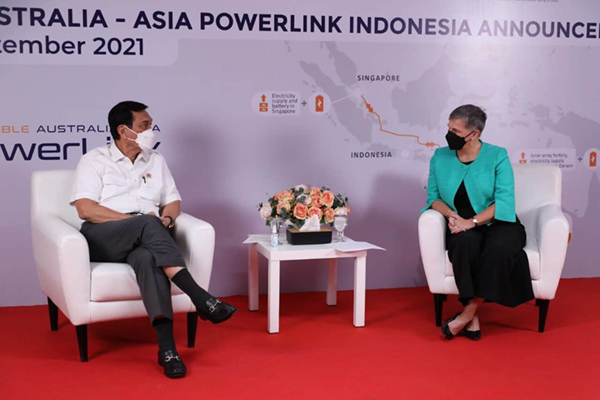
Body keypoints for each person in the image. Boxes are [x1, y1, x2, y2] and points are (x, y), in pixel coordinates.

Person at [70, 101, 237, 378]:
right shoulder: (94, 160)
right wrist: (136, 221)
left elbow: (172, 202)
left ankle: (167, 350)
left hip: (147, 238)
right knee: (147, 222)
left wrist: (166, 221)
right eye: (144, 125)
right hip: (104, 237)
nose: (151, 130)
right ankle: (200, 297)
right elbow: (85, 209)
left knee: (147, 258)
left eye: (151, 124)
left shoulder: (156, 160)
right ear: (123, 130)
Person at [421, 104, 533, 340]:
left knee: (498, 249)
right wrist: (452, 217)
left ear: (474, 134)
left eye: (456, 131)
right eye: (449, 128)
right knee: (463, 245)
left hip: (499, 222)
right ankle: (470, 317)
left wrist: (471, 222)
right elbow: (433, 198)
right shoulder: (440, 156)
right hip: (461, 222)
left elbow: (504, 201)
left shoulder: (497, 155)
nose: (449, 135)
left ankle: (467, 314)